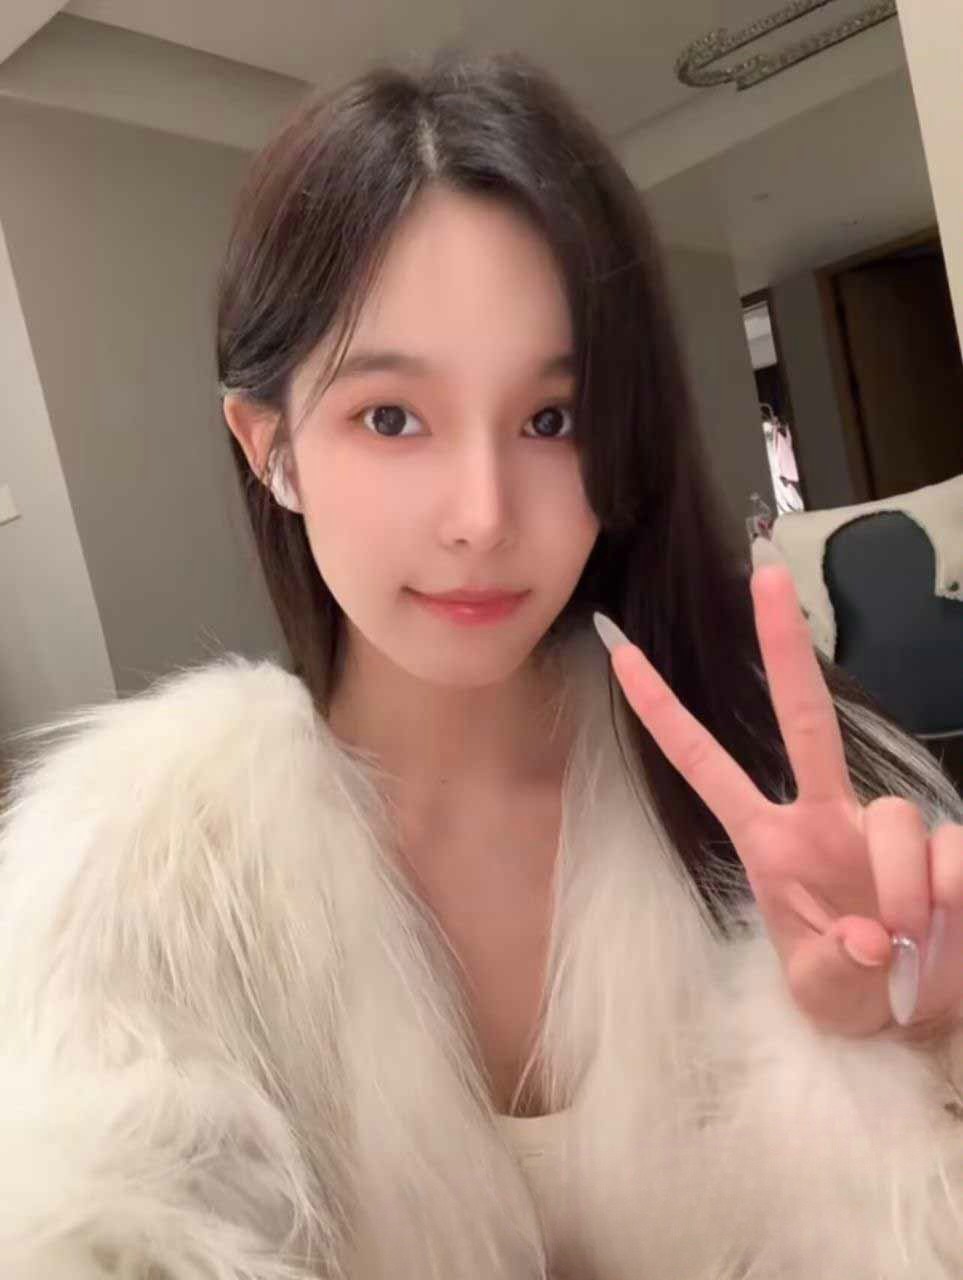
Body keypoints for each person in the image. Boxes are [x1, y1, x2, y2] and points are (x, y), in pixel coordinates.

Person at [0, 49, 960, 1280]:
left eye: (552, 419)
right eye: (392, 416)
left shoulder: (799, 796)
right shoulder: (131, 896)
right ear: (270, 446)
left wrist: (910, 1044)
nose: (482, 514)